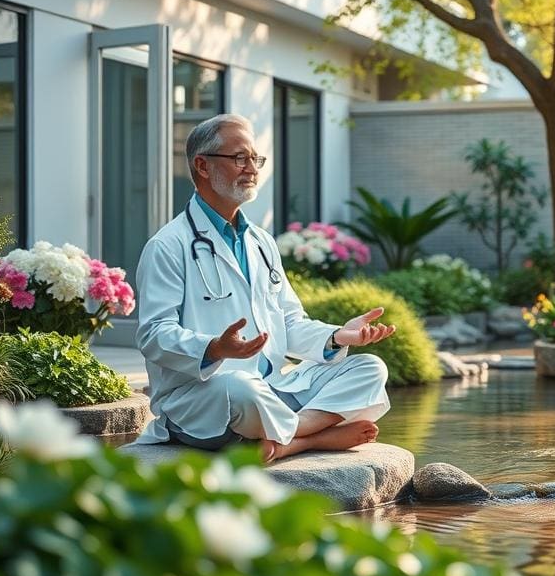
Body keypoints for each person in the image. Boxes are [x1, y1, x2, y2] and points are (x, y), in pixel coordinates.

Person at [134, 113, 394, 462]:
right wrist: (213, 348)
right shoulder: (167, 246)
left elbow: (288, 322)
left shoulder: (261, 242)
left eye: (255, 159)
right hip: (207, 395)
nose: (252, 168)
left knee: (369, 368)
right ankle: (315, 436)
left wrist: (337, 337)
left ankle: (294, 437)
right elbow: (153, 334)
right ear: (202, 166)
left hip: (274, 390)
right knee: (240, 389)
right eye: (240, 158)